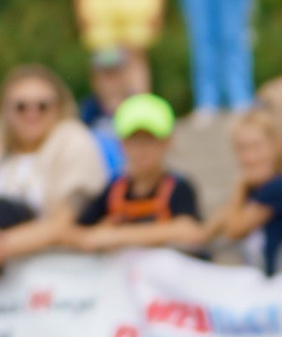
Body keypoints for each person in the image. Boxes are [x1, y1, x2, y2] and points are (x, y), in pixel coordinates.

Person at [0, 66, 109, 280]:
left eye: (42, 106)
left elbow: (63, 222)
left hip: (58, 272)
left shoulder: (73, 141)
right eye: (20, 106)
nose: (31, 113)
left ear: (59, 107)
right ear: (4, 109)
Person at [63, 95, 207, 254]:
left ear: (168, 142)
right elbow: (79, 231)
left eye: (150, 139)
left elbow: (190, 230)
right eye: (134, 140)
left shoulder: (179, 187)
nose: (142, 148)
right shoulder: (113, 188)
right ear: (122, 144)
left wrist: (117, 235)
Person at [207, 110, 282, 274]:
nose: (249, 157)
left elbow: (233, 230)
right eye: (242, 149)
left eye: (256, 147)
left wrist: (239, 187)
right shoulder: (254, 190)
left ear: (277, 145)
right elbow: (207, 231)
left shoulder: (278, 187)